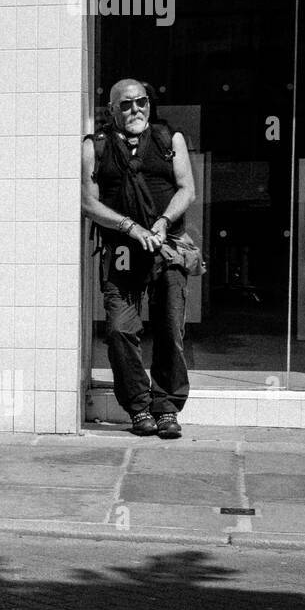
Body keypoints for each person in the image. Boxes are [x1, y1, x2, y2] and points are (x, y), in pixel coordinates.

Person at [81, 79, 195, 439]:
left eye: (141, 102)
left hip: (167, 247)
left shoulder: (169, 139)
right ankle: (139, 407)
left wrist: (161, 223)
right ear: (112, 109)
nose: (135, 110)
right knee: (119, 330)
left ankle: (166, 409)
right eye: (126, 105)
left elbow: (187, 189)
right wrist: (131, 227)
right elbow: (88, 203)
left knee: (170, 330)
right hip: (122, 253)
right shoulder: (94, 147)